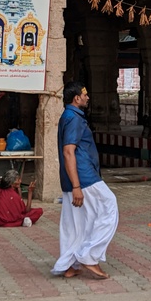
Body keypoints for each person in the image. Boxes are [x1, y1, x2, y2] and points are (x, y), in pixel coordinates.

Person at [52, 82, 118, 279]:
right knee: (109, 205)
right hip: (83, 176)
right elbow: (68, 151)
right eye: (85, 94)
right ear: (76, 98)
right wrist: (76, 186)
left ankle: (70, 264)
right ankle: (89, 256)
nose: (87, 98)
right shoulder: (73, 118)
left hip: (73, 177)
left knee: (76, 223)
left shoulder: (68, 116)